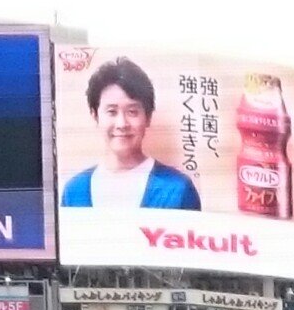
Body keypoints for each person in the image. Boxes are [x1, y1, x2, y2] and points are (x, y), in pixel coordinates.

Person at [60, 58, 202, 210]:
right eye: (112, 112)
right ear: (95, 116)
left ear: (148, 117)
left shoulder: (178, 190)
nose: (122, 124)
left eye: (132, 112)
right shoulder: (74, 192)